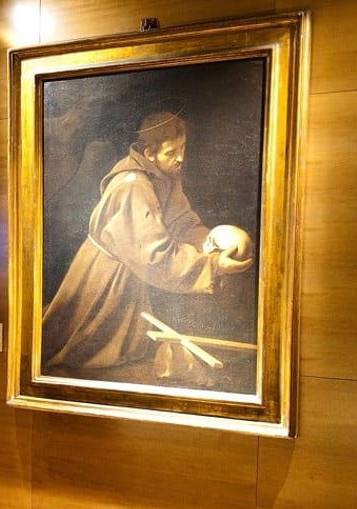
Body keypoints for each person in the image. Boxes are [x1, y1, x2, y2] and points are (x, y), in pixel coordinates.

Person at [41, 110, 252, 378]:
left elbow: (180, 222)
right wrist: (212, 265)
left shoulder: (164, 175)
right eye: (172, 151)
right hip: (108, 278)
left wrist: (209, 239)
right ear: (149, 153)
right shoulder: (133, 185)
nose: (181, 157)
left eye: (183, 147)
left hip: (133, 272)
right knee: (91, 352)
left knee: (130, 350)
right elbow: (154, 257)